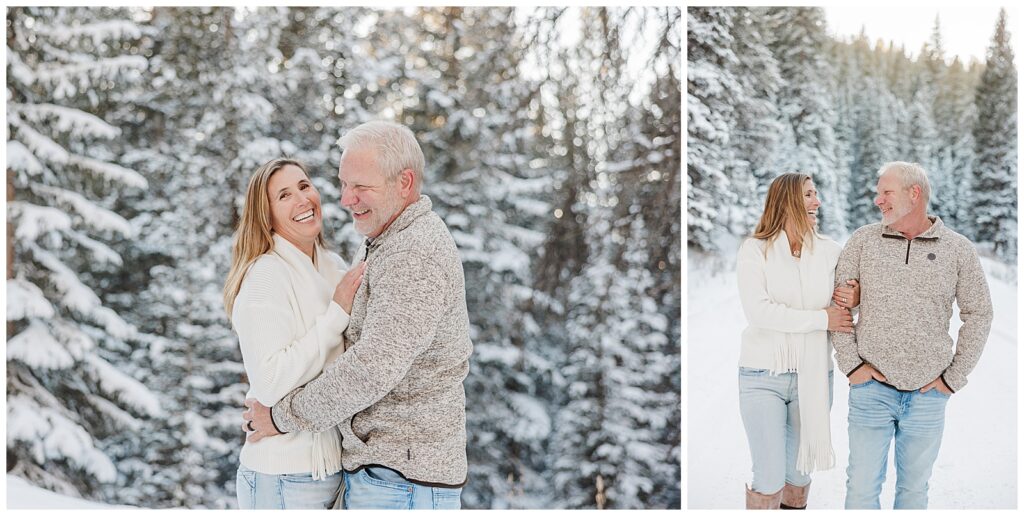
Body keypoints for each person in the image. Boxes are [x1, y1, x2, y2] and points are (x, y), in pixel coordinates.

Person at [241, 121, 472, 510]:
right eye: (343, 184)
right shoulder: (382, 245)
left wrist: (281, 417)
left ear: (404, 182)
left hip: (401, 477)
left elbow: (371, 368)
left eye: (360, 186)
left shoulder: (410, 255)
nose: (347, 200)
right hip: (382, 474)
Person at [833, 161, 993, 509]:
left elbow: (979, 313)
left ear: (913, 193)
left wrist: (952, 378)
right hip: (871, 391)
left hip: (927, 396)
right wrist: (852, 367)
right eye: (878, 194)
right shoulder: (863, 241)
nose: (878, 201)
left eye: (885, 192)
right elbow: (839, 307)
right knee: (860, 490)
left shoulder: (958, 249)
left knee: (913, 492)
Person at [223, 158, 367, 509]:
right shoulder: (265, 276)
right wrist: (335, 316)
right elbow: (270, 382)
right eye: (284, 195)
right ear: (267, 215)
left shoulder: (333, 266)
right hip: (283, 478)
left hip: (333, 472)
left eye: (304, 186)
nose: (303, 199)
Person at [736, 173, 860, 510]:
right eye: (808, 195)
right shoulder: (755, 250)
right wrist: (821, 318)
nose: (817, 202)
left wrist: (855, 295)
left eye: (816, 194)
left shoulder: (831, 252)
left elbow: (850, 300)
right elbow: (760, 312)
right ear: (787, 199)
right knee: (769, 476)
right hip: (763, 375)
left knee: (799, 475)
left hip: (814, 375)